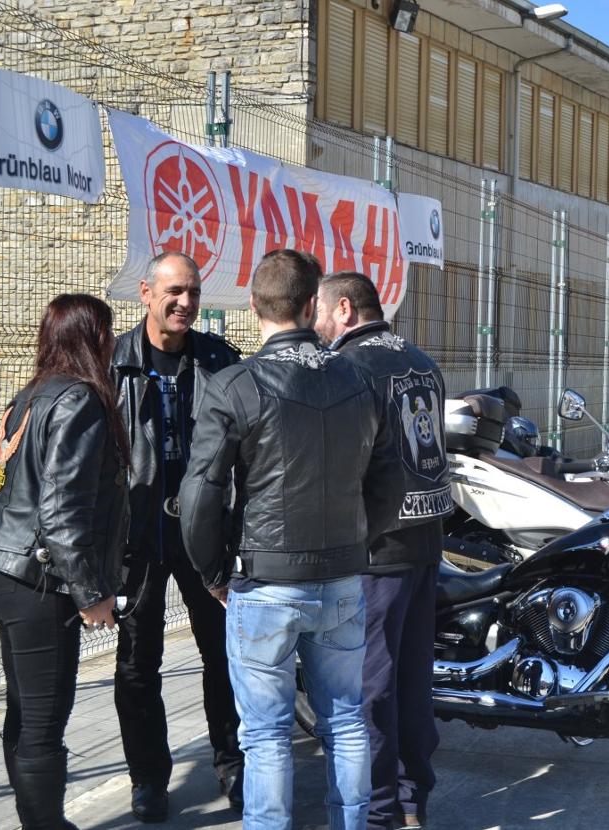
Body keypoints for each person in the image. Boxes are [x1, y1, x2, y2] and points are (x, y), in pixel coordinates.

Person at [180, 249, 400, 828]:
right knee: (347, 719)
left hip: (266, 580)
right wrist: (358, 543)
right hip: (341, 577)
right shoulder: (360, 379)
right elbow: (388, 481)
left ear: (253, 306)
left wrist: (212, 574)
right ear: (311, 306)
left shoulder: (234, 386)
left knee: (268, 735)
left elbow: (201, 495)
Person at [0, 294, 129, 828]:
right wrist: (91, 593)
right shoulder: (79, 400)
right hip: (38, 578)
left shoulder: (28, 395)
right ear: (93, 337)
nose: (112, 343)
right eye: (107, 332)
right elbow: (63, 512)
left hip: (2, 568)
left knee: (24, 708)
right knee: (42, 718)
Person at [111, 250, 243, 821]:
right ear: (146, 293)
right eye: (174, 291)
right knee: (139, 661)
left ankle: (232, 763)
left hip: (203, 531)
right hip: (138, 534)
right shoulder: (112, 362)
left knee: (222, 653)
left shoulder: (218, 360)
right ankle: (148, 778)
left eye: (192, 292)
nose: (186, 302)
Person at [316, 271, 450, 830]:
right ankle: (412, 800)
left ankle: (378, 812)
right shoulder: (422, 359)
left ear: (344, 309)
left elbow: (343, 464)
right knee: (413, 680)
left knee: (369, 688)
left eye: (321, 313)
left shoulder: (349, 367)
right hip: (424, 545)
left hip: (377, 551)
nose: (317, 326)